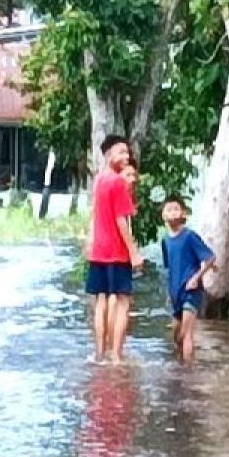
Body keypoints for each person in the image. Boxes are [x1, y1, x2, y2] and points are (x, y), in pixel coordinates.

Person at [86, 135, 143, 364]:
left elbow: (96, 213)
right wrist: (134, 253)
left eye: (127, 153)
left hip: (98, 252)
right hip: (116, 253)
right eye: (121, 152)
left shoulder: (100, 179)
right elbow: (121, 221)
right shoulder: (118, 182)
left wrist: (90, 240)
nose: (126, 156)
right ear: (109, 154)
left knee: (100, 302)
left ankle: (100, 353)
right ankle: (117, 356)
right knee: (122, 302)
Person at [161, 195, 215, 363]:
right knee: (177, 334)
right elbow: (169, 268)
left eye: (176, 209)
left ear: (183, 213)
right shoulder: (165, 241)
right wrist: (169, 293)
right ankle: (181, 363)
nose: (172, 212)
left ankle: (188, 374)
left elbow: (211, 258)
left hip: (192, 290)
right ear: (163, 215)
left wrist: (196, 278)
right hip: (175, 291)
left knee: (186, 333)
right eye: (169, 209)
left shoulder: (190, 236)